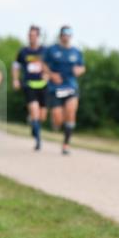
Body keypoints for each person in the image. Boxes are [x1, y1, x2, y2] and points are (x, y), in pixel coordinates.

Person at [45, 25, 85, 155]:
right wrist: (51, 75)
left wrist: (78, 71)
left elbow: (82, 67)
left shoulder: (76, 52)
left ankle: (66, 145)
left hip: (71, 87)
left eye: (69, 34)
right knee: (58, 119)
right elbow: (43, 65)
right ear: (60, 35)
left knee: (71, 112)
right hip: (56, 88)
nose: (66, 36)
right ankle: (55, 121)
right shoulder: (52, 50)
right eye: (64, 34)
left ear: (71, 36)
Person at [12, 25, 49, 150]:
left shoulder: (45, 51)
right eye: (29, 35)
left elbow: (51, 66)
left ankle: (34, 125)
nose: (31, 37)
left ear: (38, 36)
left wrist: (47, 74)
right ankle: (38, 141)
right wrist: (16, 80)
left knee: (42, 116)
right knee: (34, 110)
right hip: (29, 84)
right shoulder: (23, 52)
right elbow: (16, 66)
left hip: (43, 86)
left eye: (33, 35)